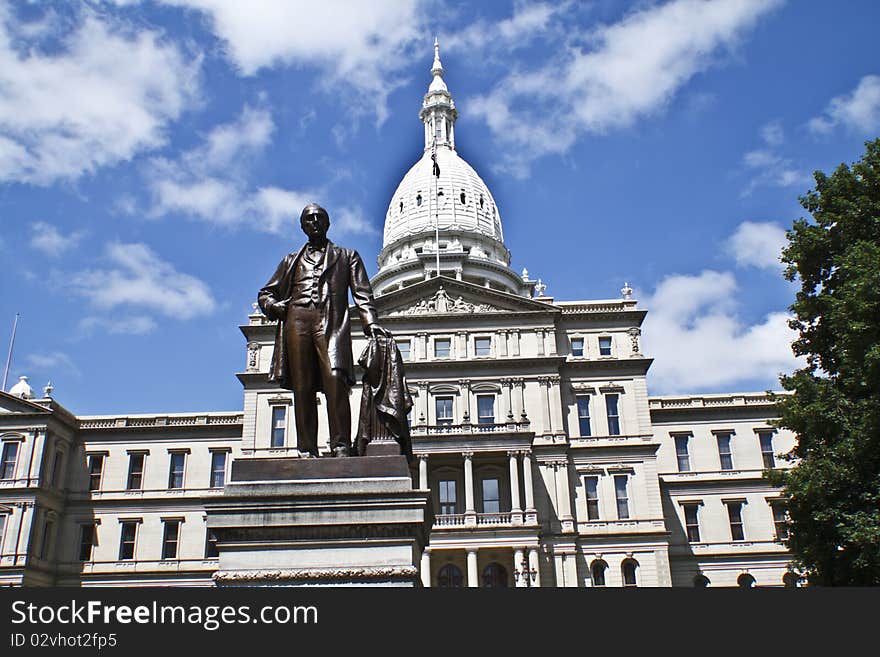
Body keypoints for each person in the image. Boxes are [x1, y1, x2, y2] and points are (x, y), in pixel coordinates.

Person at [258, 203, 388, 457]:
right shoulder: (290, 261)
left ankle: (340, 446)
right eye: (309, 219)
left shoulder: (347, 256)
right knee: (302, 387)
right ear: (302, 226)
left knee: (336, 382)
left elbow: (362, 294)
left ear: (328, 223)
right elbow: (266, 293)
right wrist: (275, 307)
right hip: (297, 323)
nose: (315, 221)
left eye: (319, 217)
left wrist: (371, 324)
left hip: (331, 324)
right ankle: (306, 449)